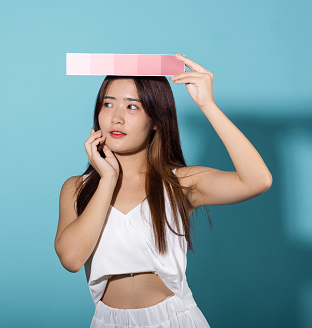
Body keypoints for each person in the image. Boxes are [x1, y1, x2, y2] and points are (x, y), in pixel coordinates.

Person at [54, 53, 272, 327]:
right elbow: (72, 258)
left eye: (132, 107)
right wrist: (107, 179)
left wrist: (208, 105)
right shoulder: (77, 188)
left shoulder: (179, 182)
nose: (116, 118)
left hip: (174, 319)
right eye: (108, 104)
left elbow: (257, 180)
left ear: (156, 119)